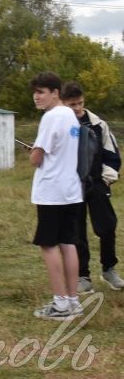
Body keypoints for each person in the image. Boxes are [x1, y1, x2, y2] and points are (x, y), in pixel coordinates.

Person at [28, 72, 83, 320]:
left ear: (55, 93)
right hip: (71, 190)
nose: (36, 97)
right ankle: (73, 300)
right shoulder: (70, 114)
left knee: (48, 245)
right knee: (68, 243)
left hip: (51, 191)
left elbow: (37, 157)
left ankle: (60, 304)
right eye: (35, 92)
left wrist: (32, 153)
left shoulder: (51, 117)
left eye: (41, 92)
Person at [59, 82, 124, 292]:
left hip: (96, 183)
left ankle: (109, 269)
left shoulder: (99, 125)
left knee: (107, 226)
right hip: (71, 186)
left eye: (80, 103)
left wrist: (106, 179)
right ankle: (82, 276)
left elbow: (112, 155)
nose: (77, 108)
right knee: (76, 231)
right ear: (63, 103)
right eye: (72, 105)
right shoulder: (58, 125)